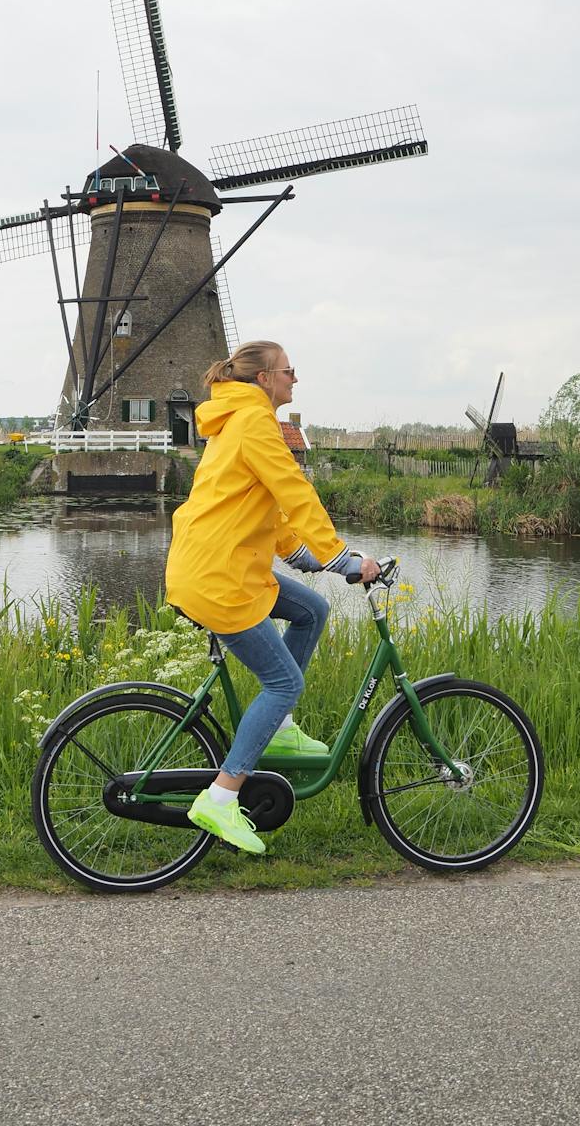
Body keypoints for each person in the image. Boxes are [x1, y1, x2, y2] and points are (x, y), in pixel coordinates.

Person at [164, 340, 379, 855]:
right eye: (289, 371)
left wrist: (306, 555)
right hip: (222, 577)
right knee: (283, 682)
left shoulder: (237, 420)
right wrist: (342, 556)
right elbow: (294, 491)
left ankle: (278, 730)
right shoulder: (254, 422)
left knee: (312, 610)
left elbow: (262, 507)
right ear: (264, 379)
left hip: (222, 563)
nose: (295, 379)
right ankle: (221, 796)